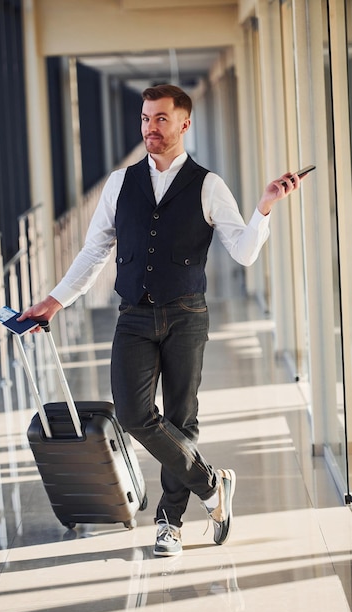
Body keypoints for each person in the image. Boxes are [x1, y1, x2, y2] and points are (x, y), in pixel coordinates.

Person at [19, 84, 303, 557]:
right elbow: (94, 251)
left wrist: (264, 207)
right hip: (133, 313)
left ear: (184, 124)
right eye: (146, 118)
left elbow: (245, 251)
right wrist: (55, 300)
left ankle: (169, 524)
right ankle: (212, 485)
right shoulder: (118, 182)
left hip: (187, 314)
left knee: (180, 418)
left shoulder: (209, 185)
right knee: (132, 414)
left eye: (161, 119)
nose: (151, 127)